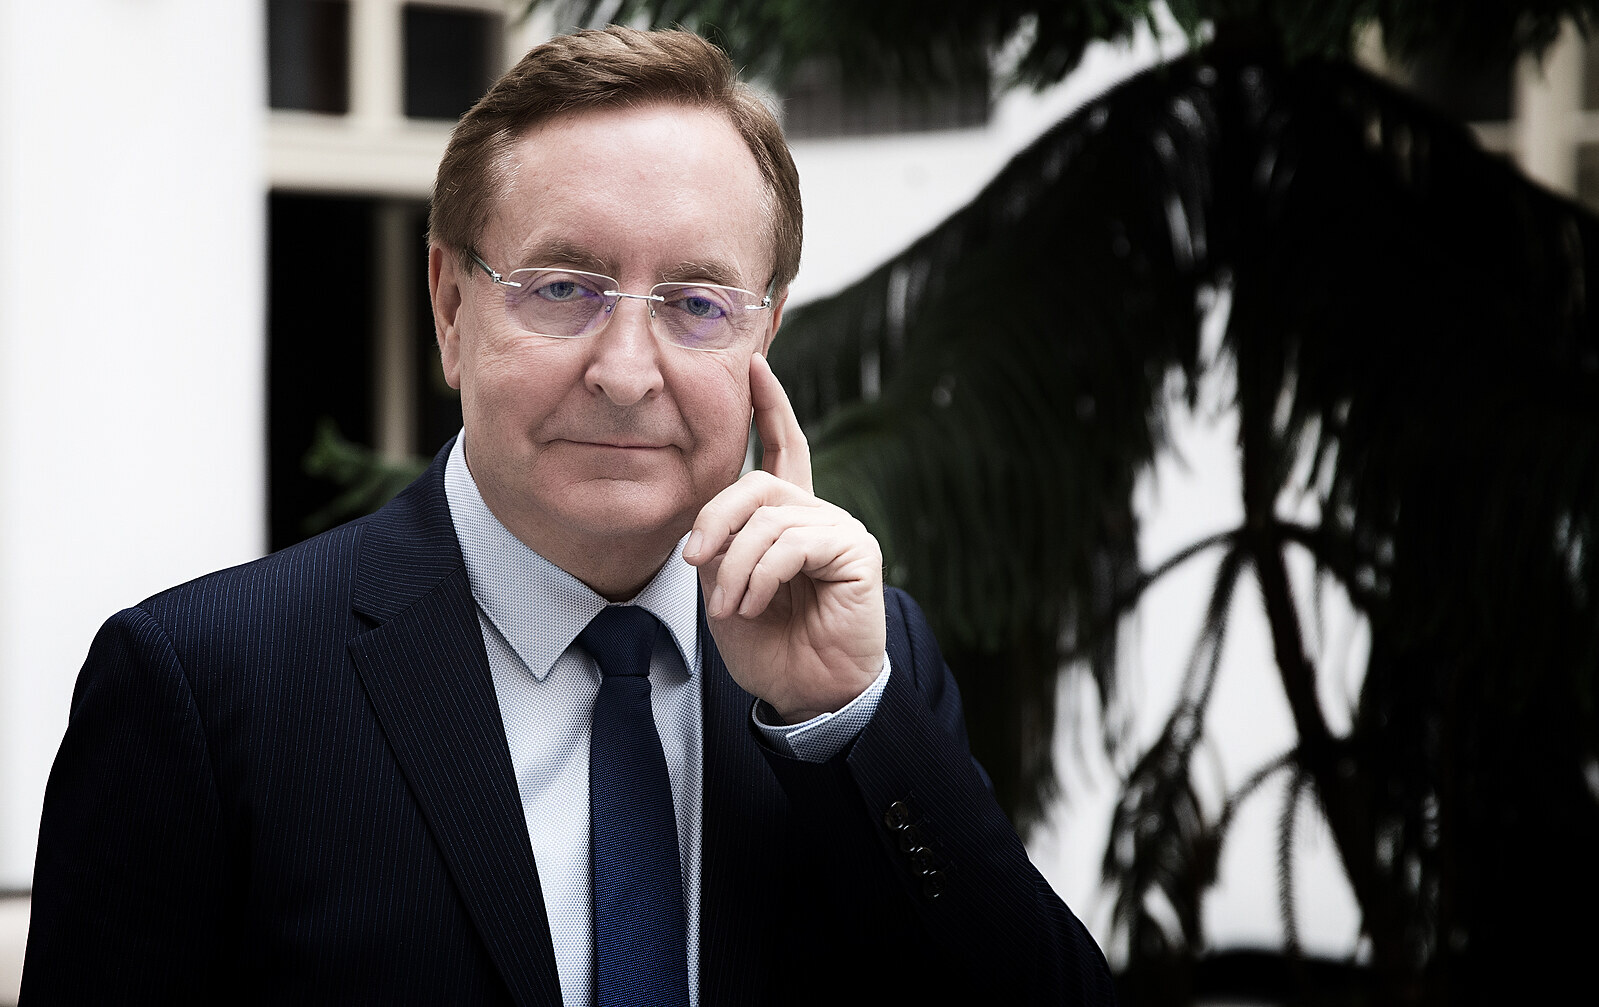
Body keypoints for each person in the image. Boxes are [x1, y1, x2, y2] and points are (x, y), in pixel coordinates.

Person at [21, 26, 1115, 1007]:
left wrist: (846, 723)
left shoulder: (860, 668)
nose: (627, 372)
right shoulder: (204, 687)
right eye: (562, 288)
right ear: (451, 307)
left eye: (696, 304)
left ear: (763, 335)